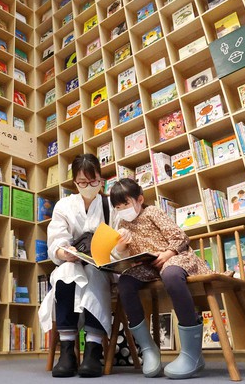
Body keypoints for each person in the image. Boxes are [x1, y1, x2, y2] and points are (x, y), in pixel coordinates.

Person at [109, 178, 212, 379]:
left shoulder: (153, 212)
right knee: (125, 282)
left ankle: (192, 354)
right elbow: (126, 256)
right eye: (118, 207)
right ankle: (148, 349)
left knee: (171, 275)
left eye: (126, 204)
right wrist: (121, 248)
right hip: (148, 266)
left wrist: (168, 253)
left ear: (140, 199)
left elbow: (180, 237)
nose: (122, 210)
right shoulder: (122, 224)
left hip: (174, 257)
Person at [38, 154, 114, 378]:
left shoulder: (109, 205)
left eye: (94, 181)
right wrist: (66, 253)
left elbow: (117, 238)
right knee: (65, 273)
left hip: (101, 266)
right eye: (83, 182)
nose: (89, 186)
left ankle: (93, 349)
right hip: (72, 262)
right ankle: (67, 350)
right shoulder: (64, 205)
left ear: (101, 180)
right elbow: (56, 242)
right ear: (74, 183)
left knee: (95, 274)